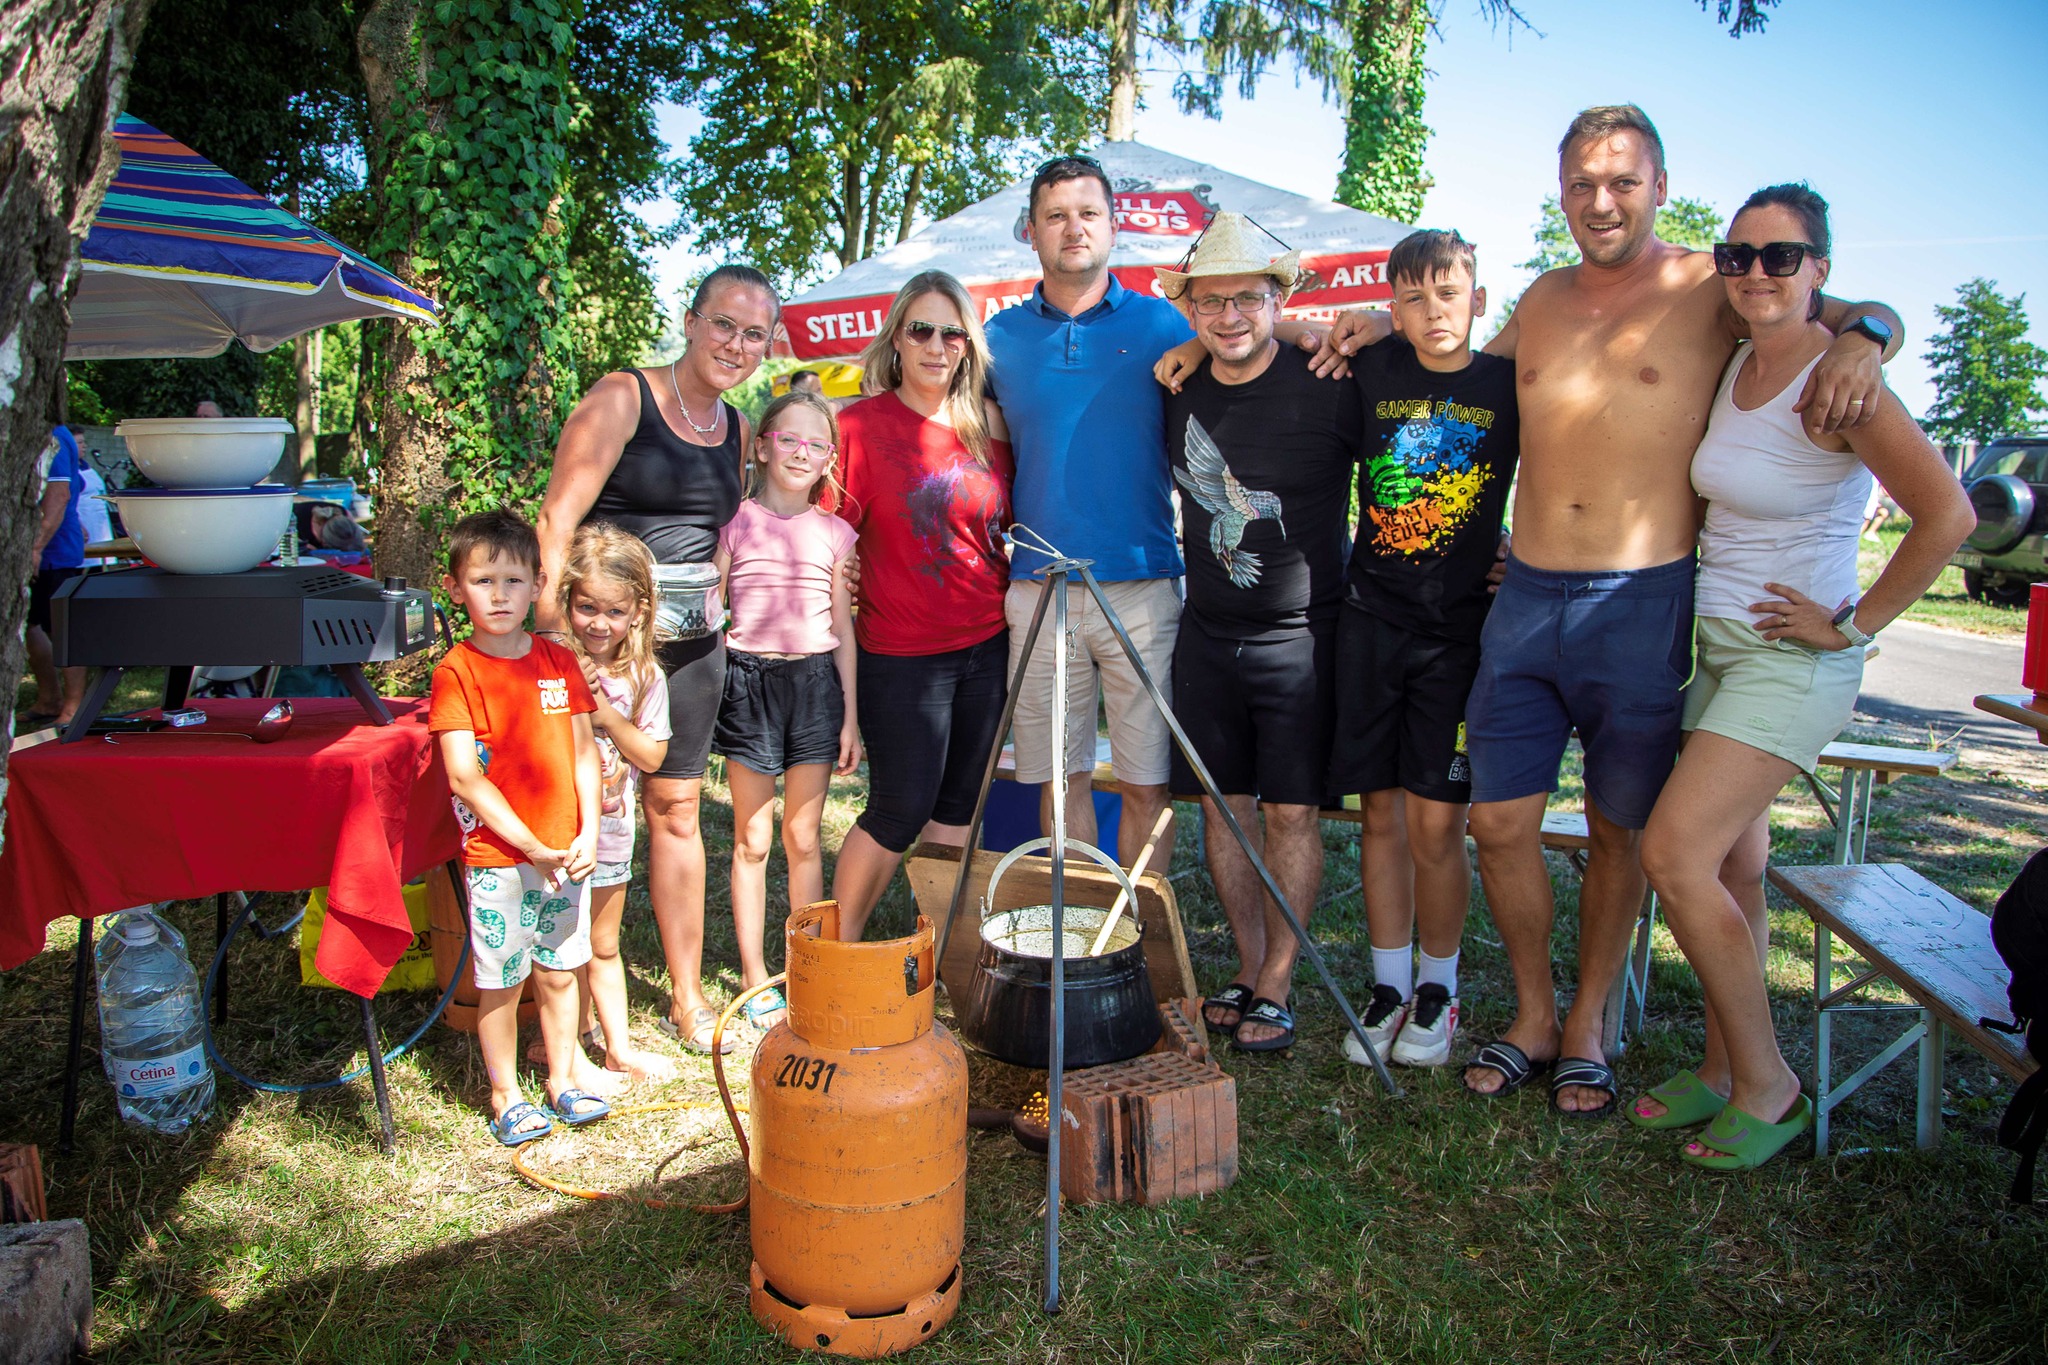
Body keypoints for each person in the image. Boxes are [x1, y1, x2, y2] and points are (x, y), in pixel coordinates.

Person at [1324, 105, 1899, 1117]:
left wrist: (1868, 336)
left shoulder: (1709, 288)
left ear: (1658, 187)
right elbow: (1451, 365)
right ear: (1559, 193)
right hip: (1525, 596)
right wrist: (1374, 324)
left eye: (1621, 181)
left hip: (1642, 597)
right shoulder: (1539, 300)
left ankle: (1586, 1023)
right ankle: (1531, 1013)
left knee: (1617, 828)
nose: (1600, 200)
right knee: (1497, 823)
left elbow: (1818, 302)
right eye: (1581, 182)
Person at [1632, 185, 1973, 1168]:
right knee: (1732, 868)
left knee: (1675, 856)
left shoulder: (1840, 377)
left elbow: (1944, 516)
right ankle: (1717, 1067)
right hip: (1720, 652)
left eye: (1778, 257)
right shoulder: (1738, 354)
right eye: (1735, 254)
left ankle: (1770, 1083)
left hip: (1790, 661)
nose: (1751, 272)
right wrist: (1871, 326)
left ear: (1817, 269)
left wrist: (1852, 624)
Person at [534, 264, 778, 1054]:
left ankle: (685, 994)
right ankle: (552, 1006)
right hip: (601, 648)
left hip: (694, 651)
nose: (736, 344)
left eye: (754, 334)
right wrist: (554, 653)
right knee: (578, 817)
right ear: (691, 319)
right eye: (723, 324)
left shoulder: (737, 429)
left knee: (675, 812)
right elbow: (556, 519)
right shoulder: (623, 397)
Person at [1154, 215, 1361, 1053]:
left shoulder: (1332, 378)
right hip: (1204, 633)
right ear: (1191, 310)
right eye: (1211, 301)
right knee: (1222, 805)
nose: (1229, 315)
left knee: (1291, 814)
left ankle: (1280, 975)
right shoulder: (1174, 385)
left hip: (1304, 641)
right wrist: (1194, 354)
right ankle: (1248, 962)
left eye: (1247, 296)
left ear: (1279, 297)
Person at [1330, 229, 1519, 1071]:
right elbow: (1303, 335)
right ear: (1393, 305)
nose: (1432, 312)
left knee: (1437, 821)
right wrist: (1354, 322)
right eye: (1411, 297)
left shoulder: (1508, 385)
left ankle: (1439, 988)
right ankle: (1387, 981)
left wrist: (1525, 547)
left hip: (1457, 637)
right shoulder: (1374, 370)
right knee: (1378, 814)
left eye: (1448, 295)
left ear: (1478, 299)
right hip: (1369, 621)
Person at [982, 155, 1192, 868]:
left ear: (1113, 225)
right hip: (1038, 590)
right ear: (1032, 232)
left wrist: (1328, 329)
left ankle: (1136, 945)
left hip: (1143, 585)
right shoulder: (996, 339)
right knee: (1056, 776)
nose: (1074, 228)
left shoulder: (1167, 323)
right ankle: (1076, 950)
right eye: (1056, 215)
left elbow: (1251, 334)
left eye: (1088, 213)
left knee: (1146, 782)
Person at [829, 271, 1013, 939]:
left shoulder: (989, 427)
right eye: (922, 330)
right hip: (900, 652)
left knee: (960, 808)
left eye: (953, 332)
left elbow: (1003, 528)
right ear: (898, 338)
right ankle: (835, 953)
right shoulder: (856, 427)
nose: (938, 345)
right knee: (898, 807)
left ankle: (936, 956)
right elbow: (827, 539)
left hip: (987, 644)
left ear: (969, 345)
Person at [430, 510, 610, 1145]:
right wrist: (531, 845)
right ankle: (506, 1093)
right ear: (456, 588)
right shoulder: (456, 671)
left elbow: (584, 752)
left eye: (512, 580)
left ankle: (563, 1078)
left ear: (537, 584)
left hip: (568, 853)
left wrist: (586, 832)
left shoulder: (557, 663)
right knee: (503, 981)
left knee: (561, 972)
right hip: (499, 858)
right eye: (483, 581)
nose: (499, 595)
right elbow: (463, 778)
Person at [713, 391, 860, 1005]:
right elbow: (708, 610)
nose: (803, 452)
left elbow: (844, 628)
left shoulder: (837, 533)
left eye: (816, 444)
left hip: (816, 686)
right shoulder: (734, 523)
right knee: (753, 840)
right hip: (748, 684)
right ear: (763, 446)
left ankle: (811, 970)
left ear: (829, 458)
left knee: (803, 839)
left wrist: (851, 715)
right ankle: (754, 979)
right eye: (790, 439)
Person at [555, 522, 678, 1083]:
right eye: (586, 608)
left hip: (608, 830)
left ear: (639, 612)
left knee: (602, 942)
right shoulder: (545, 664)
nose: (598, 624)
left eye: (614, 612)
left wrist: (605, 714)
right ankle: (567, 1046)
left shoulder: (644, 675)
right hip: (551, 835)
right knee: (556, 944)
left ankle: (618, 1047)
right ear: (567, 602)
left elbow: (652, 757)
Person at [26, 424, 89, 727]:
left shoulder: (53, 434)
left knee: (62, 629)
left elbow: (60, 493)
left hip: (56, 552)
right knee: (28, 624)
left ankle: (74, 709)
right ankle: (49, 699)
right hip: (38, 549)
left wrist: (37, 547)